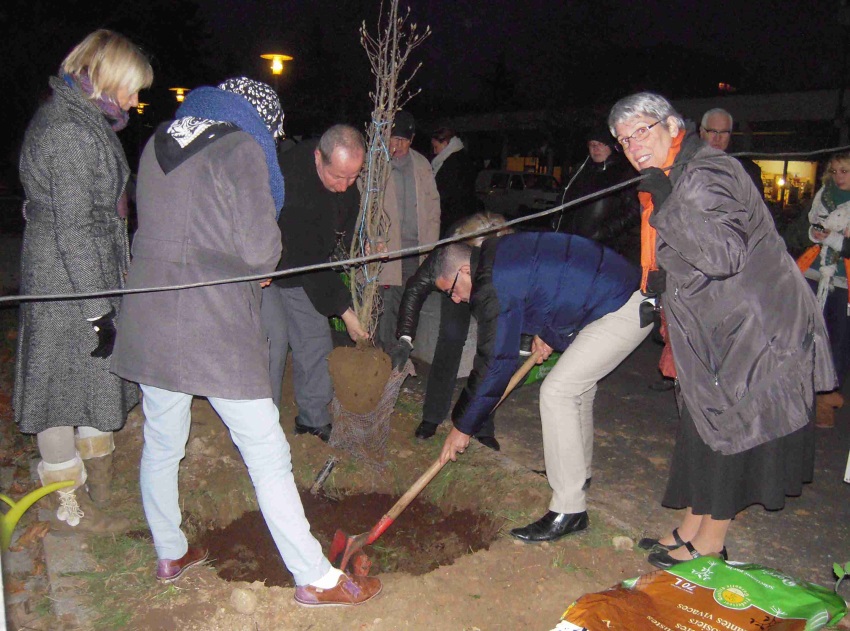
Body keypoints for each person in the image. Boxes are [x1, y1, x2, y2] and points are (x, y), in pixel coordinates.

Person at [111, 78, 382, 605]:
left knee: (163, 441)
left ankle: (169, 551)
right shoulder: (240, 148)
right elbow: (262, 251)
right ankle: (315, 578)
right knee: (266, 451)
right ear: (258, 120)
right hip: (211, 325)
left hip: (149, 313)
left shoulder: (158, 140)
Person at [609, 92, 835, 569]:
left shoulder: (706, 171)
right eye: (624, 140)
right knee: (702, 424)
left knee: (730, 427)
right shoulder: (675, 172)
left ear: (672, 125)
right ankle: (694, 522)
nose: (633, 146)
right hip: (721, 321)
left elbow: (723, 254)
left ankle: (712, 539)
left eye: (641, 131)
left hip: (756, 324)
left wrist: (668, 204)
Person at [14, 29, 152, 534]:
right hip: (65, 279)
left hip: (85, 269)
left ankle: (101, 484)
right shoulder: (69, 132)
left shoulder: (82, 119)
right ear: (106, 79)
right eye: (132, 89)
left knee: (93, 381)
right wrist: (98, 310)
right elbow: (73, 226)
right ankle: (66, 497)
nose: (137, 102)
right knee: (58, 390)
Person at [429, 232, 650, 542]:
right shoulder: (497, 255)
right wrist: (550, 332)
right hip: (615, 293)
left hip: (623, 304)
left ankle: (569, 509)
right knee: (578, 389)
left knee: (558, 391)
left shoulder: (492, 283)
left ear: (465, 271)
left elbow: (495, 362)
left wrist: (462, 426)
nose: (454, 299)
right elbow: (557, 281)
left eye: (451, 290)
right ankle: (576, 475)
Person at [261, 124, 369, 442]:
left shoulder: (344, 182)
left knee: (315, 340)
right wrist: (345, 312)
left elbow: (343, 226)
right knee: (273, 342)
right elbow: (310, 259)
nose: (345, 185)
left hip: (304, 270)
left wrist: (359, 242)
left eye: (353, 177)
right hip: (267, 270)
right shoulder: (290, 182)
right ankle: (261, 425)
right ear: (317, 158)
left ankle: (312, 418)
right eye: (338, 176)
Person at [392, 212, 512, 451]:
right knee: (450, 338)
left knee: (490, 352)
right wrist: (405, 337)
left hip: (491, 290)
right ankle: (432, 416)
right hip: (455, 282)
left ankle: (483, 425)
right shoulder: (448, 254)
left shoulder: (505, 255)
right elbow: (415, 289)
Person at [374, 110, 441, 351]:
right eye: (394, 138)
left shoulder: (422, 164)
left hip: (415, 250)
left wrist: (431, 245)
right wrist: (375, 240)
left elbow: (433, 206)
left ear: (412, 140)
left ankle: (402, 354)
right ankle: (383, 355)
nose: (398, 145)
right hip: (387, 251)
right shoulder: (376, 164)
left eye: (403, 139)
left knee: (409, 302)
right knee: (386, 303)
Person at [796, 151, 850, 427]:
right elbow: (808, 226)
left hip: (842, 279)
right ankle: (799, 387)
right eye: (836, 171)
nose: (839, 177)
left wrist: (836, 240)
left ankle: (827, 397)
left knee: (836, 338)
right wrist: (816, 234)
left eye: (846, 171)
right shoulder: (823, 196)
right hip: (815, 269)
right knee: (803, 328)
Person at [551, 125, 640, 263]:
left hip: (602, 249)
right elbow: (563, 196)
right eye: (592, 144)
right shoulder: (580, 171)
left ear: (610, 146)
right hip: (567, 243)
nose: (595, 148)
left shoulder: (623, 173)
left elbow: (633, 211)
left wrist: (603, 232)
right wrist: (556, 221)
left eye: (600, 144)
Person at [699, 107, 765, 198]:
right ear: (702, 133)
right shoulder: (684, 166)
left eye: (724, 132)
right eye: (712, 131)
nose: (717, 138)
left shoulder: (747, 171)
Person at [430, 127, 477, 234]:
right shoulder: (460, 156)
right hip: (460, 214)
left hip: (452, 216)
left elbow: (445, 191)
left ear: (445, 143)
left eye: (436, 147)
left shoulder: (451, 162)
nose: (434, 151)